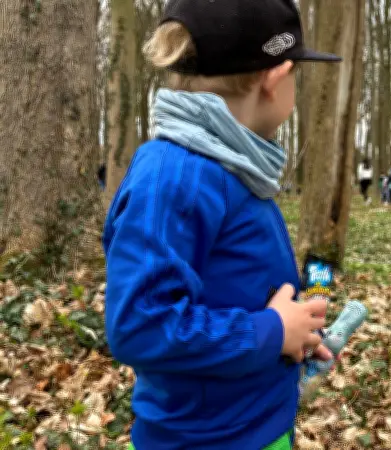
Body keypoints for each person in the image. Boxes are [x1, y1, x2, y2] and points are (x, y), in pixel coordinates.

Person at [102, 2, 340, 449]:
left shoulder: (231, 166)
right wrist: (271, 331)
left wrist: (293, 331)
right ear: (275, 78)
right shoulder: (173, 176)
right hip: (204, 439)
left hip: (257, 424)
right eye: (296, 75)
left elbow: (231, 289)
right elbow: (140, 325)